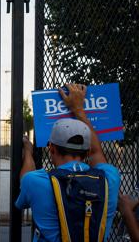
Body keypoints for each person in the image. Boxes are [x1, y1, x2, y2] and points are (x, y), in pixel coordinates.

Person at [16, 84, 120, 242]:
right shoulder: (109, 178)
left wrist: (28, 153)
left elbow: (25, 182)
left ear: (51, 148)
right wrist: (79, 109)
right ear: (87, 151)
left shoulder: (36, 181)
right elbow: (97, 152)